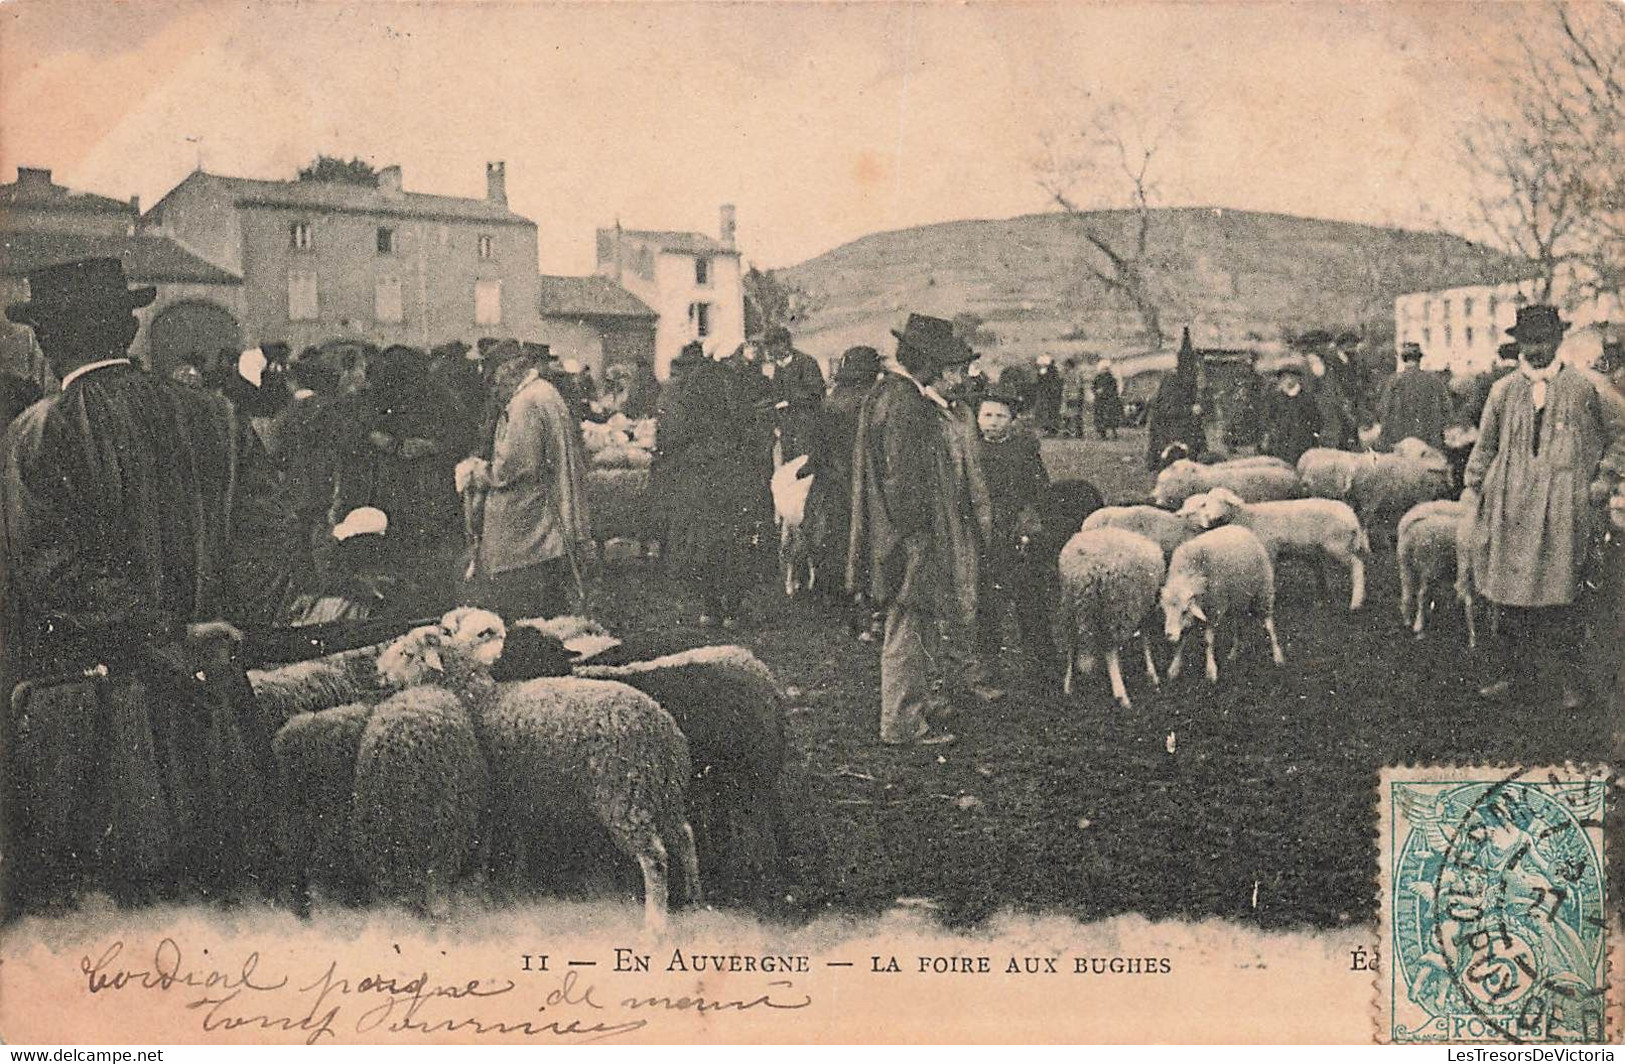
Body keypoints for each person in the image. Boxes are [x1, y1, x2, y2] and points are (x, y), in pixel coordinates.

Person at [0, 258, 299, 917]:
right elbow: (273, 531)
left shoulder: (39, 433)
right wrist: (222, 624)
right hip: (217, 703)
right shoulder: (216, 416)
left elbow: (52, 573)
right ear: (129, 329)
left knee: (115, 922)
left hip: (95, 724)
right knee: (233, 902)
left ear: (48, 342)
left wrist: (164, 632)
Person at [1462, 305, 1625, 710]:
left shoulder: (1586, 388)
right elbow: (1486, 446)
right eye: (1528, 342)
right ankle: (1516, 677)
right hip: (1510, 504)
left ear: (1557, 341)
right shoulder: (1503, 390)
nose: (1535, 350)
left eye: (1543, 341)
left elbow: (1620, 436)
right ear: (1518, 344)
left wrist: (1603, 479)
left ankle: (1571, 681)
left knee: (1563, 596)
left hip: (1564, 507)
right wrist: (1473, 486)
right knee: (1509, 596)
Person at [847, 313, 999, 748]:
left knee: (918, 622)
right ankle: (901, 722)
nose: (958, 374)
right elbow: (904, 485)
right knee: (908, 625)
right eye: (950, 365)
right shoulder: (907, 406)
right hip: (908, 537)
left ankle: (920, 702)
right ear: (928, 364)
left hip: (897, 534)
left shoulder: (889, 395)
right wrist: (918, 536)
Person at [463, 340, 592, 621]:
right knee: (548, 599)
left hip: (530, 529)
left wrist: (477, 472)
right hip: (547, 518)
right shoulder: (544, 393)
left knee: (526, 601)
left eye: (494, 382)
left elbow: (513, 467)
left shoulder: (526, 403)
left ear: (507, 373)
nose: (495, 391)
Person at [659, 341, 772, 627]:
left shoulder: (688, 385)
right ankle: (732, 609)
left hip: (698, 471)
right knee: (733, 539)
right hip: (729, 469)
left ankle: (709, 608)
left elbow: (676, 432)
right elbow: (746, 425)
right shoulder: (732, 383)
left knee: (701, 540)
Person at [973, 387, 1056, 682]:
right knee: (987, 602)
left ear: (1012, 419)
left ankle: (1042, 663)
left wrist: (1028, 520)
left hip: (1018, 533)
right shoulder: (971, 450)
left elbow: (1040, 491)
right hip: (983, 536)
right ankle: (988, 663)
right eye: (987, 415)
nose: (993, 422)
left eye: (1000, 416)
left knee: (1030, 597)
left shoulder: (1023, 450)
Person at [806, 345, 883, 636]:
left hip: (833, 485)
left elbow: (817, 450)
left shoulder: (832, 401)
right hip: (866, 485)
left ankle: (848, 613)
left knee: (837, 546)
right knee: (870, 546)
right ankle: (873, 615)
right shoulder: (874, 402)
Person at [762, 325, 826, 462]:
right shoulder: (778, 367)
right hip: (787, 430)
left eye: (773, 347)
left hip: (806, 426)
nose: (770, 353)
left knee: (806, 465)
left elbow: (817, 393)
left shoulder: (807, 363)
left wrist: (790, 401)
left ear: (784, 344)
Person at [1147, 326, 1207, 470]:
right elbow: (1169, 409)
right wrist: (1190, 409)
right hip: (1168, 425)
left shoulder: (1185, 380)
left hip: (1179, 421)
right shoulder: (1172, 381)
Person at [1376, 342, 1452, 452]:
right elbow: (1447, 410)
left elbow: (1383, 412)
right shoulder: (1434, 381)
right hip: (1428, 446)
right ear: (1419, 359)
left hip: (1399, 446)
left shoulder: (1394, 381)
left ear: (1403, 359)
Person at [1259, 361, 1322, 465]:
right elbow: (1268, 419)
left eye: (1291, 376)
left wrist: (1313, 437)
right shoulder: (1276, 398)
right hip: (1280, 444)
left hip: (1302, 444)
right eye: (1284, 377)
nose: (1288, 380)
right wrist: (1270, 435)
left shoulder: (1306, 399)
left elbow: (1316, 421)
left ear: (1298, 379)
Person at [1027, 355, 1063, 435]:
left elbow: (1040, 382)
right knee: (1052, 413)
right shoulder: (1054, 372)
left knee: (1047, 412)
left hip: (1047, 394)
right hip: (1052, 395)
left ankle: (1048, 430)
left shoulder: (1045, 371)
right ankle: (1052, 430)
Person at [1090, 358, 1123, 440]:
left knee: (1109, 417)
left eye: (1106, 369)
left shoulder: (1110, 378)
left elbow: (1113, 389)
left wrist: (1102, 391)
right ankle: (1104, 435)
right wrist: (1097, 391)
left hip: (1107, 400)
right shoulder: (1099, 378)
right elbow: (1093, 387)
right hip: (1102, 400)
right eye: (1104, 369)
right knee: (1103, 418)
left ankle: (1112, 434)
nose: (1105, 370)